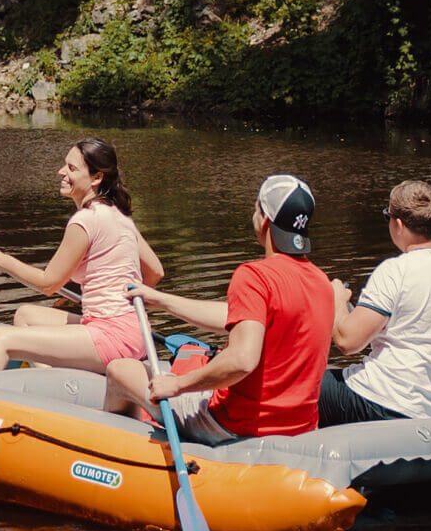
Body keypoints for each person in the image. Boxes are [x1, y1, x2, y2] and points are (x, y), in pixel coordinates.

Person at [0, 138, 167, 414]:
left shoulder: (84, 221)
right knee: (25, 317)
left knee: (3, 338)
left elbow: (50, 284)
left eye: (71, 168)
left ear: (96, 178)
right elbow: (156, 271)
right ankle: (57, 394)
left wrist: (3, 260)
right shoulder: (118, 216)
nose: (61, 172)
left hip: (111, 337)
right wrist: (121, 303)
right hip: (131, 333)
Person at [130, 174, 333, 445]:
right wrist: (161, 300)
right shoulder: (322, 283)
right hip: (300, 428)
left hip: (236, 425)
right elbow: (241, 317)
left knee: (121, 369)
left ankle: (122, 454)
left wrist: (178, 384)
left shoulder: (253, 276)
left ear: (263, 220)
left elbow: (241, 360)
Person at [320, 180, 431, 425]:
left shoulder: (395, 271)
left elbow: (347, 341)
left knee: (306, 383)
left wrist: (337, 300)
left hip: (376, 401)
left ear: (398, 224)